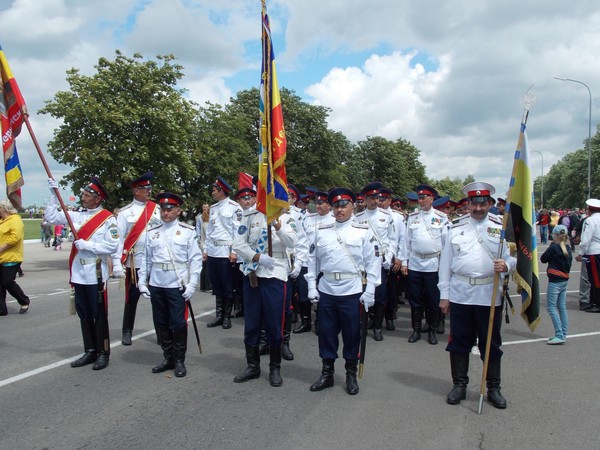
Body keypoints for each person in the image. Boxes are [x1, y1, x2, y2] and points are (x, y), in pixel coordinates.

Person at [438, 181, 516, 409]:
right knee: (459, 342)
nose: (479, 208)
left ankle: (494, 388)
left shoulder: (500, 226)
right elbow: (445, 264)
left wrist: (507, 266)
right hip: (461, 294)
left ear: (490, 204)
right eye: (474, 203)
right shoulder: (455, 227)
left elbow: (514, 258)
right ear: (468, 204)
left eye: (483, 203)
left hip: (489, 294)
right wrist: (445, 295)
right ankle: (459, 385)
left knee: (491, 344)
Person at [305, 188, 381, 395]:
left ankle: (350, 374)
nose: (340, 210)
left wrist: (370, 290)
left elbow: (373, 262)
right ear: (332, 207)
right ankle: (327, 373)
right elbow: (312, 260)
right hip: (327, 288)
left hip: (352, 290)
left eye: (344, 205)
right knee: (326, 334)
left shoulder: (363, 231)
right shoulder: (321, 230)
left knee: (351, 334)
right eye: (336, 206)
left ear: (353, 206)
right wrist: (311, 285)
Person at [46, 177, 119, 370]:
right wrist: (54, 195)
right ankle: (90, 351)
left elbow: (112, 246)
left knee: (99, 314)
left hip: (95, 272)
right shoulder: (77, 215)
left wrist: (89, 245)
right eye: (84, 194)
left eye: (87, 195)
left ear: (97, 199)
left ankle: (103, 352)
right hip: (78, 273)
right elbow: (52, 217)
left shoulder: (108, 219)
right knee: (84, 314)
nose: (83, 198)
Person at [137, 193, 202, 377]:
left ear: (178, 211)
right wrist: (142, 282)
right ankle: (168, 357)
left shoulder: (187, 231)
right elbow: (146, 260)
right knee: (161, 322)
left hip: (177, 284)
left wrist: (192, 284)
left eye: (170, 209)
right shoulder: (152, 232)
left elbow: (195, 260)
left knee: (179, 323)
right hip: (157, 283)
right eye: (163, 210)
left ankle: (179, 359)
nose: (166, 213)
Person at [232, 204, 297, 387]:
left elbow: (293, 243)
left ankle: (275, 368)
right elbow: (238, 243)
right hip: (253, 272)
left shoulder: (285, 215)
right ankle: (253, 366)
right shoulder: (250, 216)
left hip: (275, 274)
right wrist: (256, 257)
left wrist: (277, 225)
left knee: (274, 324)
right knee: (251, 323)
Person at [113, 172, 161, 346]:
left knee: (157, 299)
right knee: (131, 298)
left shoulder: (157, 209)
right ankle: (127, 331)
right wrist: (118, 261)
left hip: (155, 261)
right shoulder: (125, 213)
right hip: (135, 263)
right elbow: (119, 240)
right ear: (135, 190)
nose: (149, 191)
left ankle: (161, 332)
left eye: (149, 188)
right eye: (144, 188)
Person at [400, 184, 448, 345]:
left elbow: (446, 244)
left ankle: (432, 330)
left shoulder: (441, 217)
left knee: (432, 299)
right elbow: (406, 242)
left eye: (424, 198)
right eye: (419, 198)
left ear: (431, 199)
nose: (421, 201)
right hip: (415, 263)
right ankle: (416, 329)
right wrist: (404, 262)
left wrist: (444, 267)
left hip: (433, 264)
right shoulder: (413, 218)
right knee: (415, 299)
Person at [354, 181, 397, 342]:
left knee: (380, 296)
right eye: (370, 198)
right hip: (363, 263)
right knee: (361, 293)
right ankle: (363, 323)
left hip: (380, 262)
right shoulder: (358, 217)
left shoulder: (386, 216)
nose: (374, 201)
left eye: (376, 197)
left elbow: (392, 239)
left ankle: (378, 326)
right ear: (364, 199)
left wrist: (390, 256)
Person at [203, 177, 242, 330]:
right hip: (213, 251)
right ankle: (219, 315)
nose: (212, 193)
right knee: (216, 284)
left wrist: (234, 252)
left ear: (221, 191)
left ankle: (227, 316)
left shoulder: (234, 207)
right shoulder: (213, 208)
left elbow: (238, 231)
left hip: (226, 252)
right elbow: (210, 232)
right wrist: (205, 250)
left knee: (227, 285)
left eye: (214, 190)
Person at [292, 190, 334, 334]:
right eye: (316, 203)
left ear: (329, 204)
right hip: (306, 262)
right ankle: (305, 322)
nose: (318, 206)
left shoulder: (334, 220)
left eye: (321, 203)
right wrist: (298, 262)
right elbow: (301, 242)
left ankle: (320, 322)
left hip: (324, 264)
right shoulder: (307, 219)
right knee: (304, 294)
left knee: (323, 294)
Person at [540, 225, 572, 344]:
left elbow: (543, 259)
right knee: (562, 307)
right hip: (564, 280)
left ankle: (559, 334)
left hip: (555, 281)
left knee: (551, 308)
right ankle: (563, 333)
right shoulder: (567, 248)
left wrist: (551, 246)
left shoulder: (554, 247)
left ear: (556, 235)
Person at [0, 200, 31, 315]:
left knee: (7, 281)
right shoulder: (2, 221)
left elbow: (14, 238)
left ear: (4, 209)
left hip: (11, 257)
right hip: (1, 257)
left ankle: (24, 300)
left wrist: (1, 248)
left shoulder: (15, 221)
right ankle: (1, 309)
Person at [576, 199, 600, 313]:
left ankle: (597, 303)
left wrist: (581, 253)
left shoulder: (590, 220)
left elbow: (586, 239)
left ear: (590, 210)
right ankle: (594, 301)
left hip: (593, 252)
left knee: (594, 279)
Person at [195, 203, 212, 292]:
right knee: (207, 265)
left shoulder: (205, 221)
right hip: (206, 244)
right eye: (204, 207)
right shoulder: (201, 219)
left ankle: (204, 286)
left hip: (203, 243)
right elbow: (198, 229)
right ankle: (207, 285)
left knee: (204, 265)